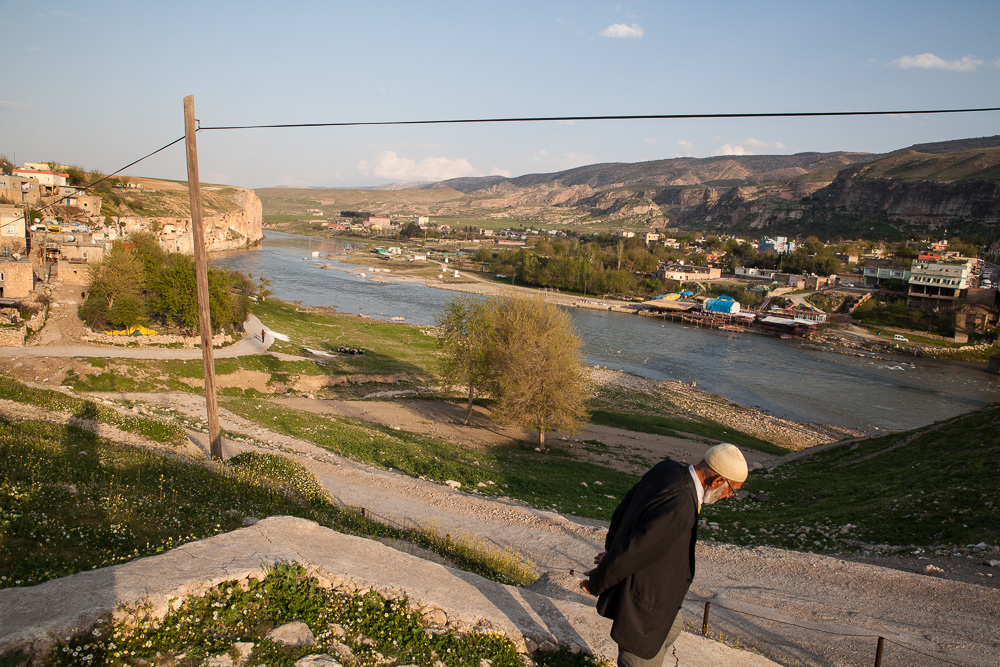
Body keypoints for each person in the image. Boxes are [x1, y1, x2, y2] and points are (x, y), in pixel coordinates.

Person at [579, 443, 748, 666]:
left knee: (673, 627)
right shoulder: (680, 507)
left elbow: (625, 506)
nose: (728, 496)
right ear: (717, 480)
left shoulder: (667, 469)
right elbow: (635, 552)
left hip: (664, 602)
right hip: (644, 609)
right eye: (731, 490)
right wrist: (598, 580)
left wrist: (611, 548)